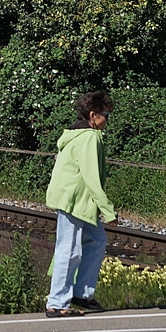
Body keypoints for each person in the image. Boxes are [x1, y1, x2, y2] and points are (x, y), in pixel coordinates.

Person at [44, 90, 117, 318]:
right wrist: (108, 210)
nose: (108, 119)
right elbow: (91, 177)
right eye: (106, 114)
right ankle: (57, 303)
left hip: (78, 200)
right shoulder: (89, 137)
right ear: (94, 115)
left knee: (96, 240)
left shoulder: (79, 134)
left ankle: (82, 294)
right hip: (73, 200)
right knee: (70, 249)